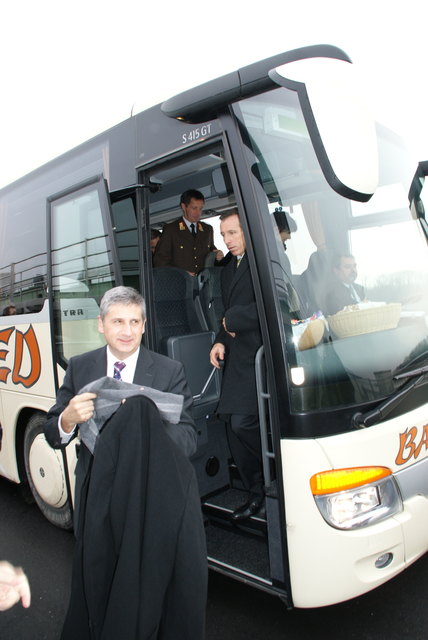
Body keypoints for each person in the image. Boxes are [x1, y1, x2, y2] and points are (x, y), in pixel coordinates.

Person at [44, 286, 206, 639]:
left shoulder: (168, 370)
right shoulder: (80, 367)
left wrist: (143, 430)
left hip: (149, 499)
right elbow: (52, 433)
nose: (127, 331)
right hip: (98, 497)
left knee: (145, 582)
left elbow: (190, 438)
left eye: (135, 321)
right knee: (100, 575)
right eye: (118, 321)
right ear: (101, 324)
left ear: (145, 325)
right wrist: (68, 418)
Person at [209, 211, 264, 522]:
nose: (227, 240)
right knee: (231, 425)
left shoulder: (263, 261)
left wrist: (234, 321)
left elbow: (278, 302)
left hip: (258, 359)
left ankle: (275, 474)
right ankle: (256, 491)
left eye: (232, 233)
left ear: (247, 231)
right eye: (223, 234)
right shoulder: (228, 268)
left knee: (243, 424)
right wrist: (219, 339)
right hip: (236, 358)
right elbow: (224, 312)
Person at [153, 189, 224, 275]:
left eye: (200, 208)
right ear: (183, 207)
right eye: (194, 208)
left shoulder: (207, 229)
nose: (198, 213)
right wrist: (181, 273)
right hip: (181, 283)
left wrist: (217, 255)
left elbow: (211, 251)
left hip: (203, 284)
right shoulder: (171, 229)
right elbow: (160, 261)